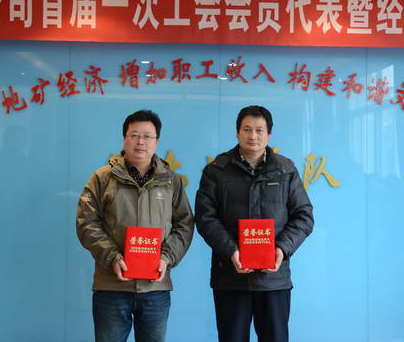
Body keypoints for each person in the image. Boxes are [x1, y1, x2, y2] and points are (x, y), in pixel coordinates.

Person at [195, 105, 314, 342]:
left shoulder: (285, 169)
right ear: (237, 132)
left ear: (269, 134)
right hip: (230, 277)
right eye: (247, 129)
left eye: (259, 130)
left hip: (274, 279)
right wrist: (231, 251)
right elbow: (205, 218)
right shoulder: (216, 171)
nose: (253, 136)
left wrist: (281, 249)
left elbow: (304, 215)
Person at [76, 109, 194, 342]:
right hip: (112, 286)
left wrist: (166, 258)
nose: (141, 142)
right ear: (125, 139)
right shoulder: (102, 178)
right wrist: (112, 257)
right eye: (134, 135)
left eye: (148, 136)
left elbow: (185, 223)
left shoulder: (171, 180)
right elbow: (86, 222)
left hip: (155, 287)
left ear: (157, 141)